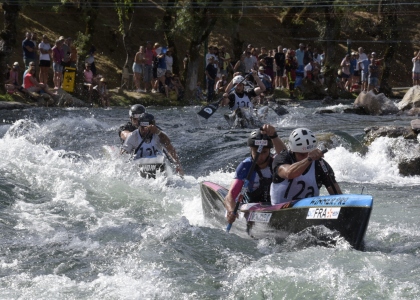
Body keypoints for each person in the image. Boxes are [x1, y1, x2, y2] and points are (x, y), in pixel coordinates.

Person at [225, 125, 287, 224]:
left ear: (269, 151)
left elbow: (285, 154)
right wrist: (231, 210)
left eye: (264, 152)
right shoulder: (245, 166)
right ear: (251, 149)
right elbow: (231, 195)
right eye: (257, 152)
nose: (260, 156)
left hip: (273, 204)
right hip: (251, 204)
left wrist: (274, 136)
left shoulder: (276, 163)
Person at [270, 128, 342, 205]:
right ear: (293, 151)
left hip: (307, 211)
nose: (306, 156)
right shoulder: (282, 158)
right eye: (302, 154)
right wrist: (309, 159)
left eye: (309, 153)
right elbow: (289, 173)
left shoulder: (320, 164)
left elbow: (338, 196)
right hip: (280, 211)